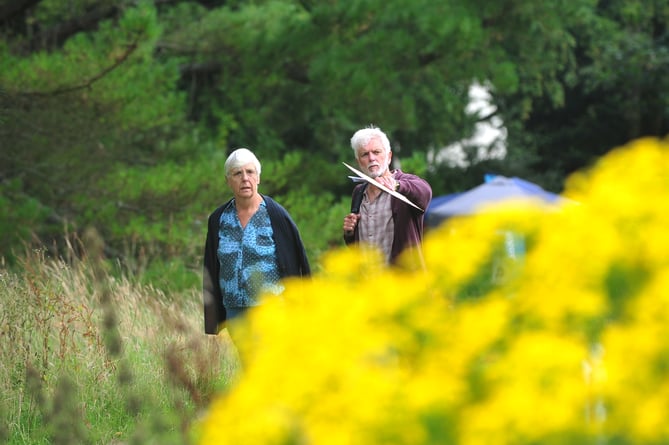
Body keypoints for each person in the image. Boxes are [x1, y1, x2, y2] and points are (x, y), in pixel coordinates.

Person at [203, 148, 311, 336]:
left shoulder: (276, 215)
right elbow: (211, 267)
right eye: (237, 173)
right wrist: (213, 319)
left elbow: (298, 263)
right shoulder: (218, 219)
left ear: (258, 178)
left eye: (250, 172)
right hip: (234, 310)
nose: (245, 178)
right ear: (228, 181)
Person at [343, 126, 432, 266]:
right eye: (364, 154)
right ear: (358, 161)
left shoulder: (404, 184)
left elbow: (425, 192)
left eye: (376, 152)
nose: (371, 158)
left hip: (402, 283)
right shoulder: (358, 192)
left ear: (389, 156)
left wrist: (396, 185)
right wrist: (350, 234)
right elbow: (360, 245)